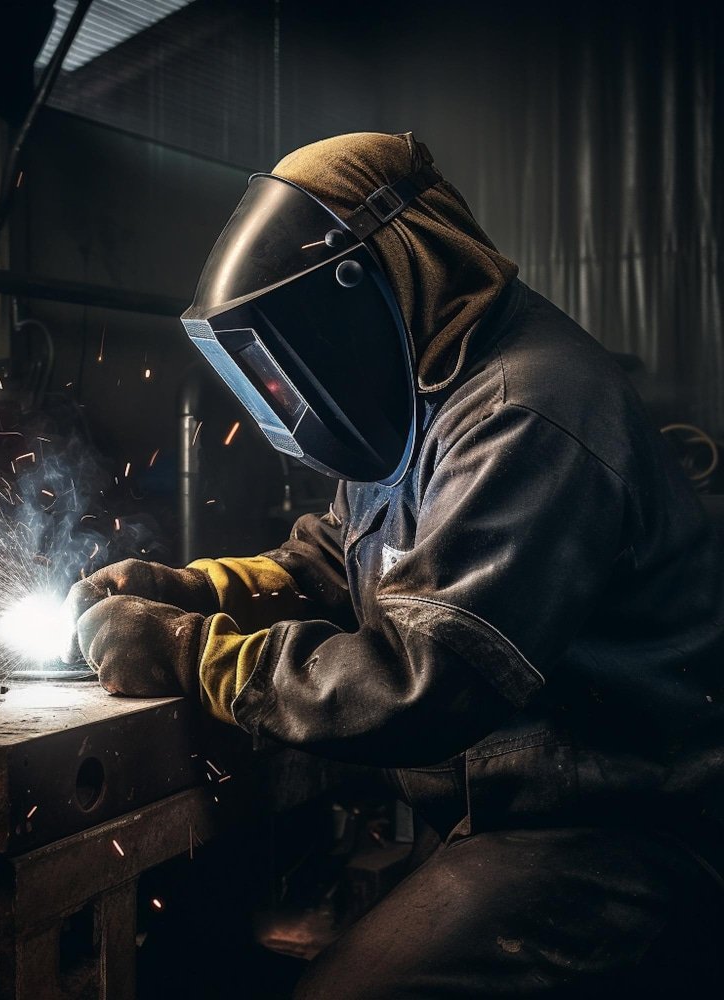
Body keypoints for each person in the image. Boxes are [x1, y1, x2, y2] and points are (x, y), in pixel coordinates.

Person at [58, 132, 724, 996]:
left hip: (622, 832)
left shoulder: (527, 413)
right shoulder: (426, 395)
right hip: (505, 812)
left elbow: (422, 682)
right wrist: (193, 588)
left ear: (369, 282)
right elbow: (334, 561)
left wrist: (191, 652)